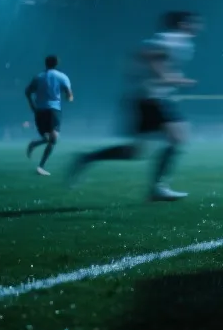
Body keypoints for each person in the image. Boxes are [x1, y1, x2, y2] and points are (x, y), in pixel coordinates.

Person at [68, 11, 200, 201]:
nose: (198, 26)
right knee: (179, 136)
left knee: (135, 151)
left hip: (147, 96)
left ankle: (86, 158)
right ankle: (158, 188)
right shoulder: (174, 38)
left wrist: (167, 77)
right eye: (194, 22)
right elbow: (148, 55)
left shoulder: (176, 40)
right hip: (152, 97)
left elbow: (140, 57)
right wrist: (167, 77)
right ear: (182, 23)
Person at [25, 55, 73, 176]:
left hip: (40, 111)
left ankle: (34, 144)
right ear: (57, 63)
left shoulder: (38, 77)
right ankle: (41, 166)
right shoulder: (62, 76)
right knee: (53, 139)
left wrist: (32, 105)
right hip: (53, 110)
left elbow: (27, 91)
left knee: (48, 138)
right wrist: (69, 98)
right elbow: (69, 94)